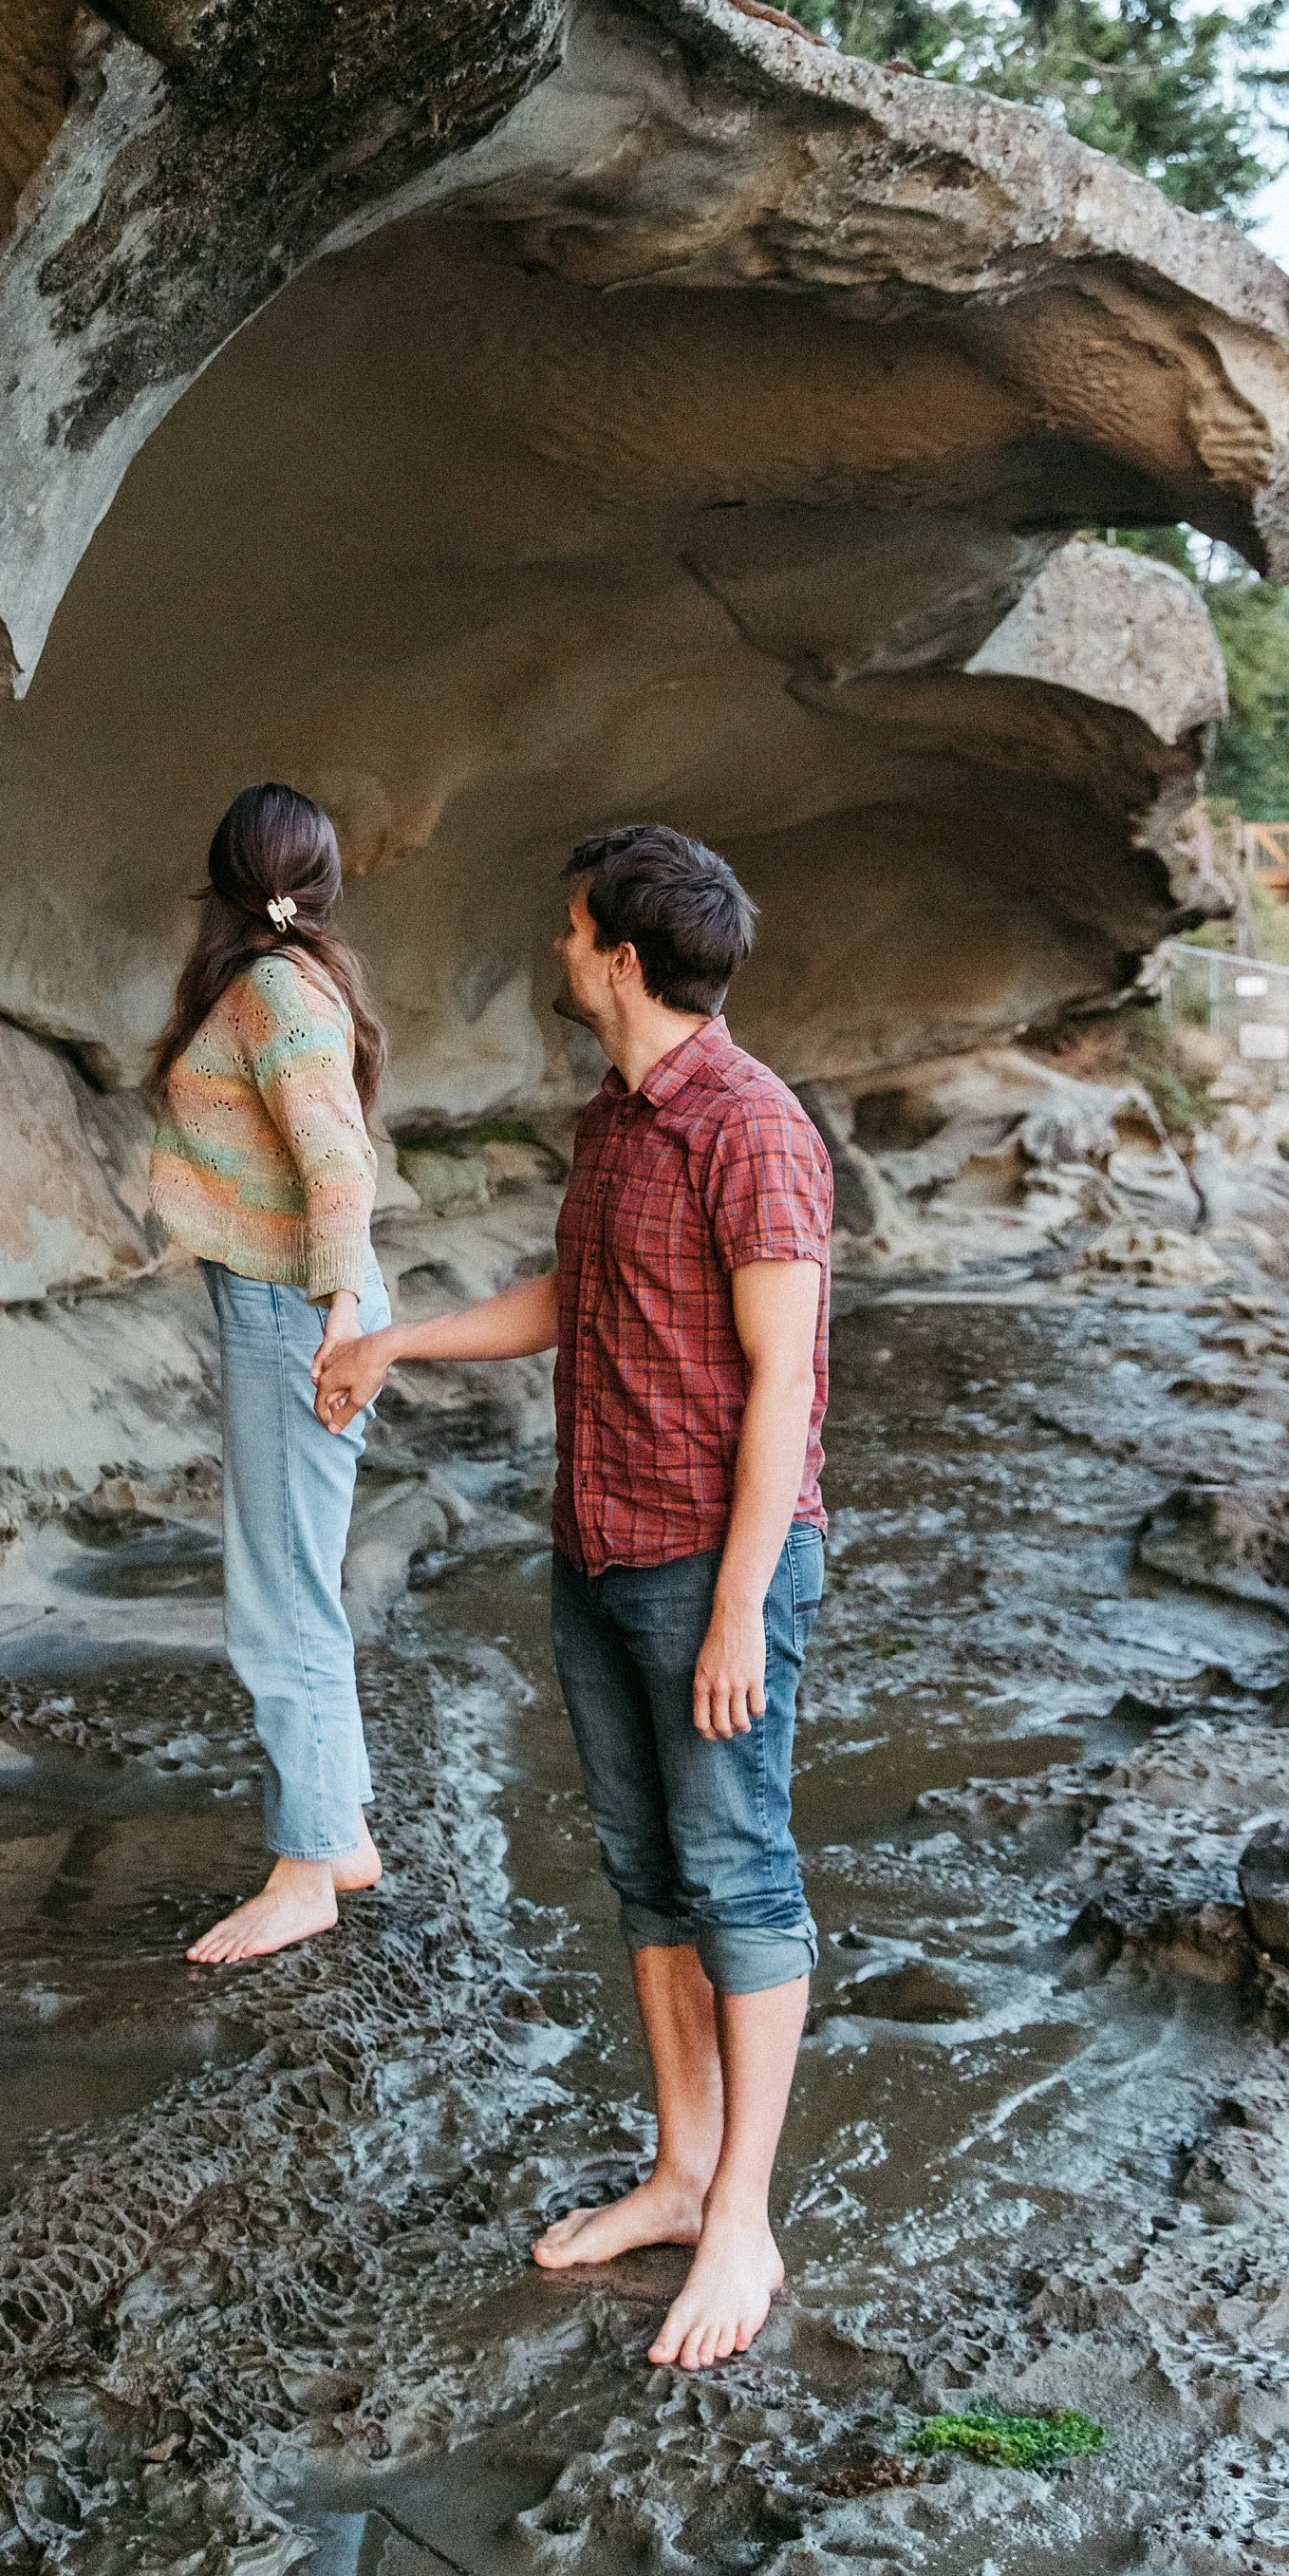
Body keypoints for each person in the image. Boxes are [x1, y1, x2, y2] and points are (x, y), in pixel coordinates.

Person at [315, 822, 831, 2371]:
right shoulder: (618, 1117)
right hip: (598, 1540)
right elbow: (577, 1300)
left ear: (620, 953)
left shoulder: (753, 1127)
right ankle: (679, 2172)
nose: (555, 948)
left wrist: (740, 1604)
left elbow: (786, 1384)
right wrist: (399, 1343)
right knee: (645, 1870)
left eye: (568, 928)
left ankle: (742, 2211)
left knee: (738, 1869)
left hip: (710, 1559)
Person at [147, 780, 392, 1965]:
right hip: (292, 1309)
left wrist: (338, 1316)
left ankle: (305, 1872)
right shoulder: (281, 984)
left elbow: (337, 1160)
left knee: (276, 1601)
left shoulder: (274, 989)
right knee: (297, 1582)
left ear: (225, 872)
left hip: (299, 1316)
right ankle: (337, 1833)